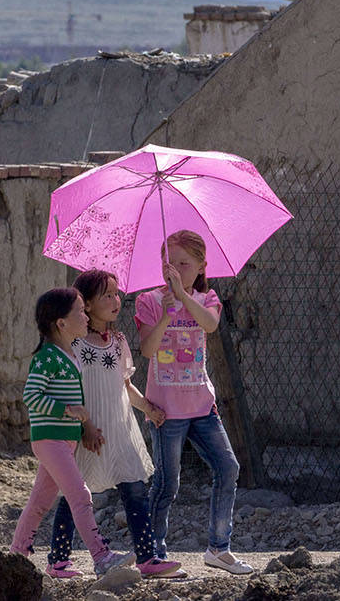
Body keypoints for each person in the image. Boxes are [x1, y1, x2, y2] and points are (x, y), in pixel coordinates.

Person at [43, 270, 184, 579]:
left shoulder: (118, 342)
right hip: (87, 433)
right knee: (74, 493)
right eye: (106, 295)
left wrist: (148, 407)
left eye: (116, 293)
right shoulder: (75, 346)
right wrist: (84, 427)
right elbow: (68, 390)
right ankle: (58, 560)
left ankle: (148, 559)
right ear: (87, 305)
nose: (115, 300)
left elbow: (124, 385)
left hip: (119, 430)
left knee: (135, 490)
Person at [136, 230, 253, 575]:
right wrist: (167, 314)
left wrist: (183, 299)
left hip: (202, 406)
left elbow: (211, 325)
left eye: (183, 264)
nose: (173, 270)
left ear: (202, 265)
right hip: (165, 411)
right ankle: (154, 553)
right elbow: (146, 349)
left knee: (228, 468)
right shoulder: (149, 301)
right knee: (167, 483)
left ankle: (219, 548)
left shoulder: (208, 298)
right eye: (168, 263)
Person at [11, 287, 134, 576]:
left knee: (39, 503)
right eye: (80, 311)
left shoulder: (70, 355)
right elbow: (31, 395)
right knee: (81, 495)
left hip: (65, 442)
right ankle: (102, 556)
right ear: (61, 323)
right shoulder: (48, 357)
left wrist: (84, 426)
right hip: (50, 440)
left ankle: (16, 558)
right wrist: (67, 410)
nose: (86, 316)